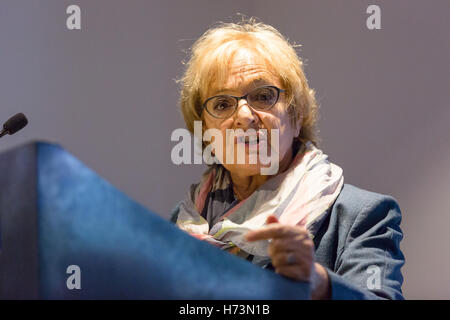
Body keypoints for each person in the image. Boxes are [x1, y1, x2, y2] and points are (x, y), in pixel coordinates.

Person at [170, 18, 404, 300]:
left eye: (263, 96)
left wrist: (318, 284)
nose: (244, 116)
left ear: (296, 114)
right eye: (222, 103)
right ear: (206, 132)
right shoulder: (182, 223)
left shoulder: (362, 215)